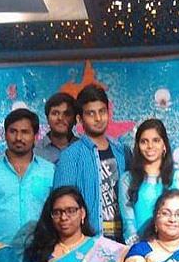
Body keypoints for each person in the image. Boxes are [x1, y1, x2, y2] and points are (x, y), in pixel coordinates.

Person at [53, 85, 131, 243]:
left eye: (102, 111)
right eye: (91, 113)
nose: (98, 118)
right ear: (80, 119)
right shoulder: (70, 156)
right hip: (88, 242)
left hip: (124, 240)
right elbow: (62, 204)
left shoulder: (123, 152)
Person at [0, 108, 54, 254]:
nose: (18, 137)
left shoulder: (50, 171)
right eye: (13, 131)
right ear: (5, 134)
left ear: (35, 136)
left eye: (25, 132)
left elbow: (58, 212)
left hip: (42, 254)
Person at [119, 119, 179, 245]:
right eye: (144, 141)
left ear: (164, 145)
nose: (150, 146)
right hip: (139, 248)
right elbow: (128, 223)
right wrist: (141, 250)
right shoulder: (127, 180)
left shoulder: (178, 178)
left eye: (156, 140)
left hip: (172, 247)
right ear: (138, 146)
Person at [35, 92, 78, 164]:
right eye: (55, 113)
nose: (60, 118)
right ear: (47, 118)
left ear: (75, 120)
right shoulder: (35, 151)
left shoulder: (85, 149)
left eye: (66, 114)